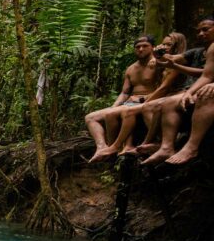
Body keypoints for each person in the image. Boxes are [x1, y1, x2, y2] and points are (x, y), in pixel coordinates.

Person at [143, 15, 214, 165]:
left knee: (205, 95)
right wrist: (189, 92)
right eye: (199, 31)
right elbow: (207, 76)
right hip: (202, 87)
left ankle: (191, 147)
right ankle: (166, 147)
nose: (201, 34)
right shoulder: (206, 49)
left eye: (206, 30)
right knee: (169, 103)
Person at [103, 32, 188, 156]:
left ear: (178, 45)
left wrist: (144, 101)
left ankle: (156, 143)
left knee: (133, 110)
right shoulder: (160, 61)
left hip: (176, 94)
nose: (165, 47)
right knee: (118, 111)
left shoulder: (178, 60)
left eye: (169, 44)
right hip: (161, 96)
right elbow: (126, 91)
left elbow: (163, 88)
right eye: (163, 44)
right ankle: (119, 147)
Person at [85, 35, 162, 161]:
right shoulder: (131, 69)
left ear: (153, 47)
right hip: (129, 102)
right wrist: (114, 106)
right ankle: (101, 147)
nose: (141, 49)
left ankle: (119, 147)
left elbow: (163, 88)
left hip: (149, 101)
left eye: (145, 46)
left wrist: (144, 98)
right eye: (137, 47)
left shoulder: (158, 64)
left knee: (117, 113)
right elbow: (125, 92)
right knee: (90, 118)